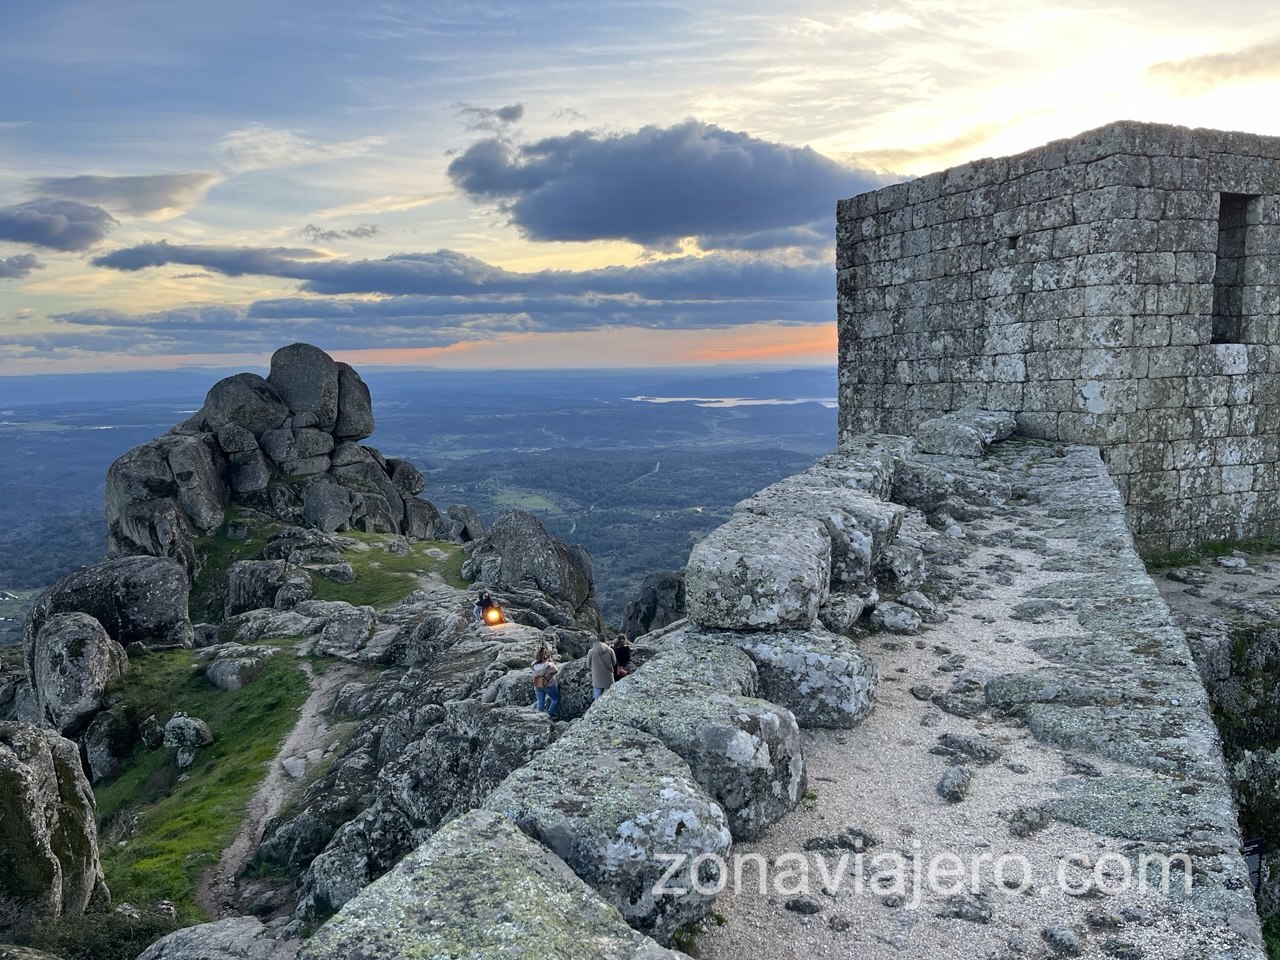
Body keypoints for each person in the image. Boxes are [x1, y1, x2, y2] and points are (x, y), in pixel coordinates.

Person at [531, 645, 560, 716]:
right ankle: (550, 714)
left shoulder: (534, 665)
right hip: (549, 684)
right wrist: (551, 661)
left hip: (538, 684)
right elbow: (556, 670)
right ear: (545, 655)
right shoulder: (549, 665)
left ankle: (540, 716)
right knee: (555, 699)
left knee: (540, 701)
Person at [587, 634, 617, 701]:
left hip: (597, 678)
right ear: (605, 640)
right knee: (609, 699)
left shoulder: (591, 652)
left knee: (597, 699)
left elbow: (588, 665)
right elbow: (614, 663)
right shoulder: (610, 650)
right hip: (608, 678)